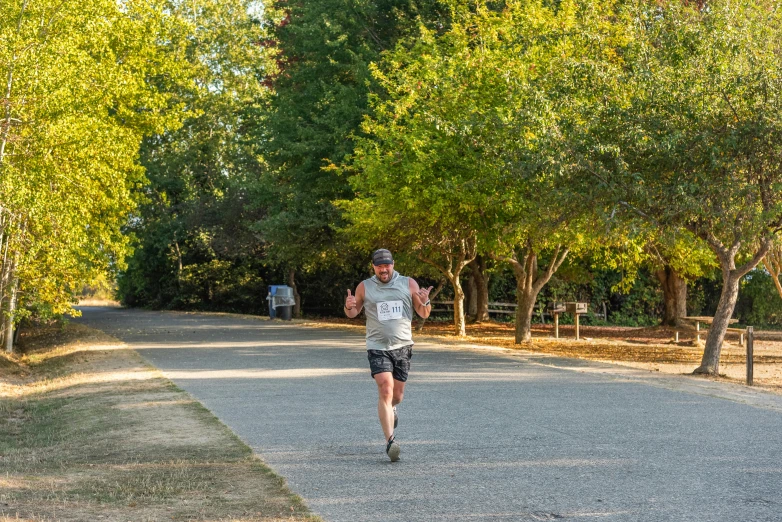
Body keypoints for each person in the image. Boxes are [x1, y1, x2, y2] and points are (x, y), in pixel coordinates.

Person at [344, 248, 432, 462]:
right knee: (385, 388)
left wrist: (425, 302)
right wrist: (348, 307)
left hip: (402, 346)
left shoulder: (408, 283)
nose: (384, 269)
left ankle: (392, 407)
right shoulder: (364, 286)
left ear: (393, 264)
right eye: (379, 265)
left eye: (387, 265)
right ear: (373, 266)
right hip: (377, 346)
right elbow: (353, 313)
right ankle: (390, 441)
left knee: (397, 396)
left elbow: (423, 314)